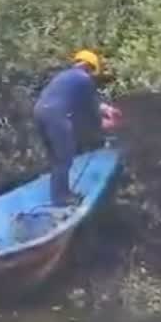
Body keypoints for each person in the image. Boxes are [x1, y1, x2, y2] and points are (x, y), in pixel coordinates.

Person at [33, 49, 110, 206]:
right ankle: (62, 198)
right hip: (56, 116)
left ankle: (58, 194)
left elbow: (84, 101)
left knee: (56, 158)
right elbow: (90, 109)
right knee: (65, 157)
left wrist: (106, 109)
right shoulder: (85, 79)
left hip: (39, 112)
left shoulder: (65, 76)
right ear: (91, 67)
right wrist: (102, 125)